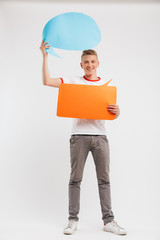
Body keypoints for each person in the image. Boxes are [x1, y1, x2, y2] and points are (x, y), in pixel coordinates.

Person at [40, 39, 127, 236]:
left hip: (100, 137)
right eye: (86, 62)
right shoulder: (73, 81)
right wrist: (45, 56)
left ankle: (109, 221)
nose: (89, 65)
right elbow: (47, 81)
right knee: (75, 179)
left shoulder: (107, 85)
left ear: (97, 64)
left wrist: (118, 111)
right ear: (81, 65)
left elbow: (111, 114)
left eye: (92, 62)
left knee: (104, 180)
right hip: (78, 137)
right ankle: (72, 220)